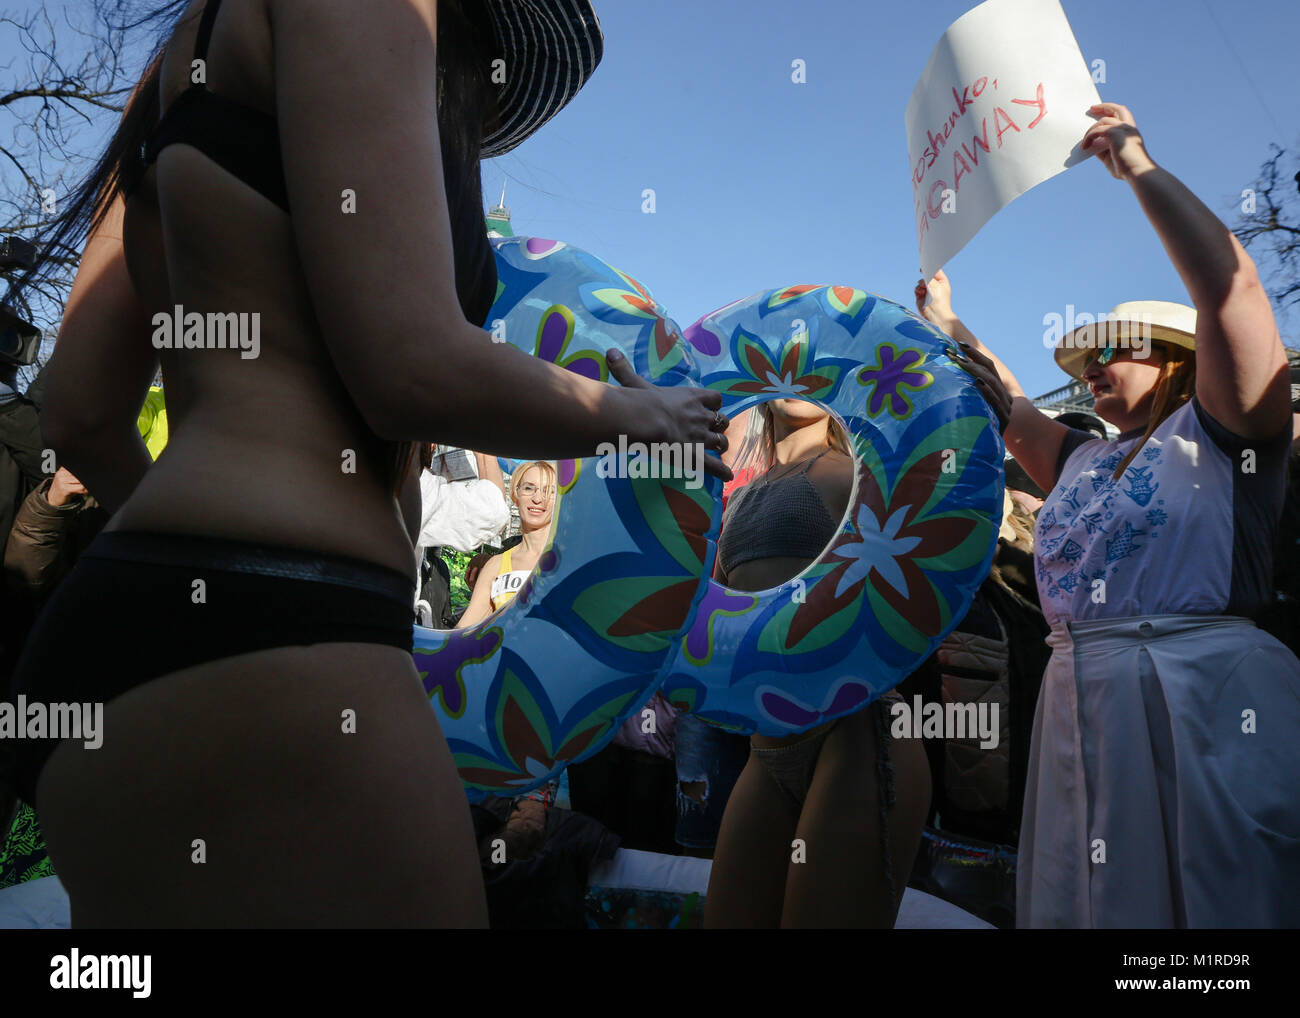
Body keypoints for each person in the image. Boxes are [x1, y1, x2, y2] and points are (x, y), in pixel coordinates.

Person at [9, 0, 729, 928]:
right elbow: (411, 363)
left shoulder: (182, 60)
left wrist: (188, 574)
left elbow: (77, 408)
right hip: (292, 638)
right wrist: (635, 416)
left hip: (108, 640)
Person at [915, 102, 1300, 928]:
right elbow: (1009, 399)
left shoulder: (1227, 431)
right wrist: (948, 323)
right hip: (1077, 704)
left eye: (1113, 350)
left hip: (1203, 702)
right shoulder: (1080, 461)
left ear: (1177, 357)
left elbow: (1231, 289)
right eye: (1084, 359)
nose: (1091, 368)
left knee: (1212, 911)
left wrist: (1136, 168)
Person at [702, 399, 932, 928]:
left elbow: (915, 586)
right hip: (766, 749)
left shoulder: (853, 476)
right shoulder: (739, 493)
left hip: (857, 737)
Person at [456, 461, 558, 628]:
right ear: (515, 495)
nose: (537, 498)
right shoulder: (495, 566)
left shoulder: (570, 559)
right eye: (528, 488)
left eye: (549, 491)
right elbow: (464, 630)